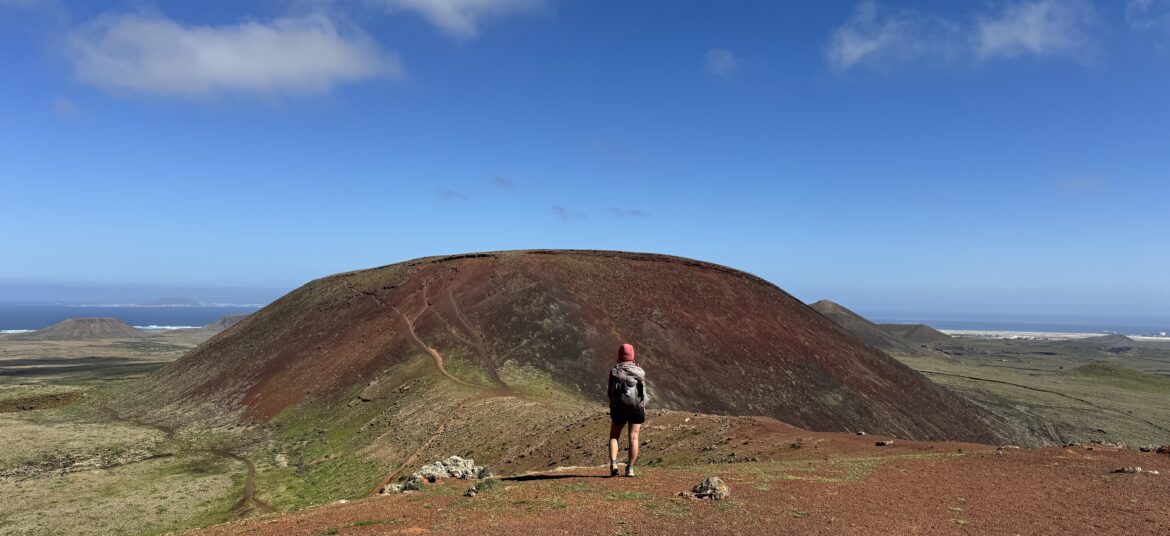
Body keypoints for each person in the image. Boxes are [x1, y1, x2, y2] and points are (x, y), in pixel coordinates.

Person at [607, 343, 648, 477]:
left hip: (619, 408)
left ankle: (614, 464)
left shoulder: (614, 371)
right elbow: (642, 393)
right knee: (634, 437)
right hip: (636, 408)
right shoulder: (640, 372)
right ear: (632, 355)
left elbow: (610, 394)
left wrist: (612, 408)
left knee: (614, 436)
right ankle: (630, 468)